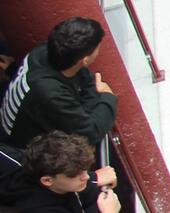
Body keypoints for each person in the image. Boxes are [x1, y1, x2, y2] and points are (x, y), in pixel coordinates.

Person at [0, 19, 117, 150]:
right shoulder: (50, 93)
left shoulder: (44, 52)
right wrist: (107, 97)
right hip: (19, 147)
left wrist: (84, 110)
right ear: (85, 60)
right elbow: (90, 133)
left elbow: (87, 80)